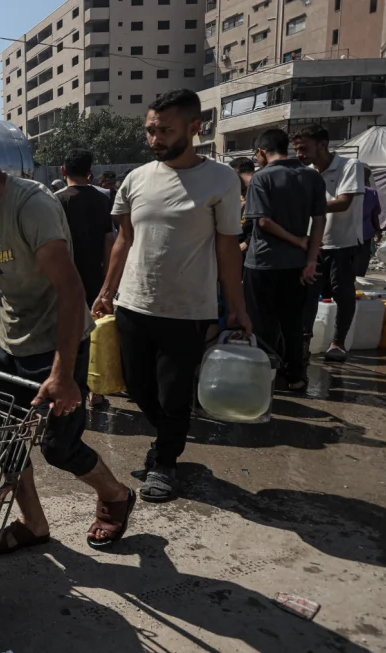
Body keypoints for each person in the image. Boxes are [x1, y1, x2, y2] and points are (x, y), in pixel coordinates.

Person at [0, 110, 134, 552]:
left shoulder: (32, 204)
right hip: (8, 341)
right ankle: (34, 524)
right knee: (2, 441)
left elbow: (71, 290)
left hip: (60, 341)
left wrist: (63, 374)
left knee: (59, 448)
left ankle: (116, 495)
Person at [94, 89, 250, 503]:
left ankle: (165, 461)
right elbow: (123, 239)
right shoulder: (136, 179)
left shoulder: (221, 179)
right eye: (150, 130)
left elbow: (227, 248)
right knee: (137, 387)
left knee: (174, 393)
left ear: (194, 128)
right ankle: (167, 437)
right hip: (133, 303)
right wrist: (107, 290)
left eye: (165, 130)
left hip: (188, 310)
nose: (155, 139)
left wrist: (237, 308)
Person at [241, 128, 328, 392]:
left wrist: (297, 240)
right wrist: (310, 259)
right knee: (292, 322)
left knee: (262, 324)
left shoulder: (261, 177)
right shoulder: (312, 176)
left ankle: (263, 380)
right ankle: (295, 377)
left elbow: (263, 221)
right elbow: (320, 220)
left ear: (261, 152)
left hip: (263, 262)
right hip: (296, 265)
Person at [293, 124, 365, 362]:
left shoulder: (349, 166)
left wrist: (306, 207)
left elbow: (344, 202)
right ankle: (304, 341)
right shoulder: (307, 172)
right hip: (314, 245)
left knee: (342, 294)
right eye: (296, 149)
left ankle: (338, 342)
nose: (299, 154)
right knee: (308, 294)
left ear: (323, 145)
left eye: (304, 148)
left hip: (342, 244)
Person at [55, 149, 115, 307]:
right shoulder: (103, 199)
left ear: (63, 171)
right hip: (96, 277)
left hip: (66, 278)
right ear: (89, 173)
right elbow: (109, 240)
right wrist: (106, 279)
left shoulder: (56, 200)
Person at [356, 166, 383, 277]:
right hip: (365, 233)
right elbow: (374, 214)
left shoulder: (343, 190)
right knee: (361, 261)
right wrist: (378, 230)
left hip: (349, 233)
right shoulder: (372, 193)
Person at [229, 157, 257, 256]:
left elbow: (262, 221)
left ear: (235, 172)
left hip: (251, 251)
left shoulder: (256, 188)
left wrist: (246, 243)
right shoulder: (240, 193)